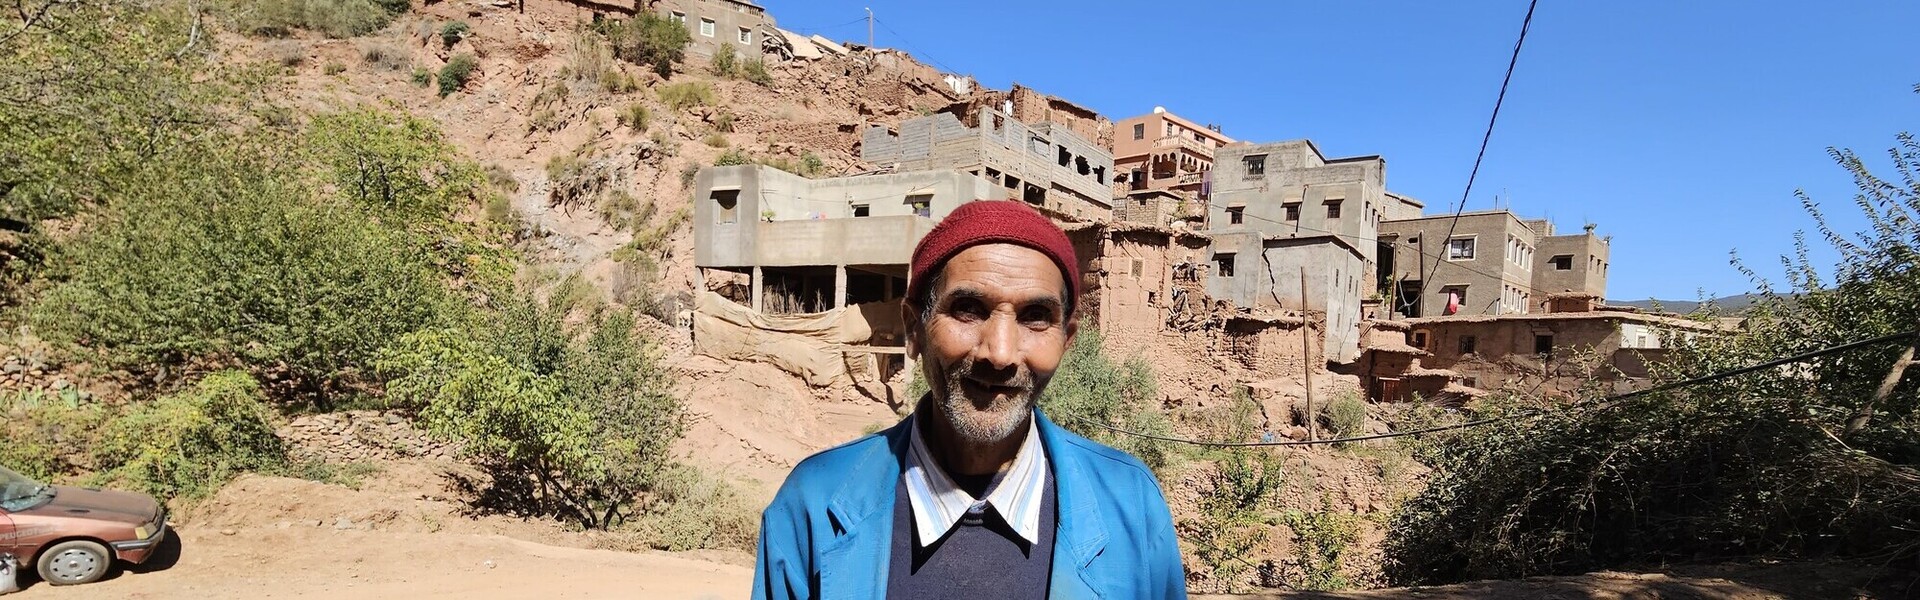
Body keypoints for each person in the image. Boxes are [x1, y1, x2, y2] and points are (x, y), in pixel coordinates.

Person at [752, 200, 1186, 599]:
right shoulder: (811, 506)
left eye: (1036, 317)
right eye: (968, 310)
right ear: (914, 328)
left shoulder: (1133, 506)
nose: (999, 353)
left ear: (1067, 340)